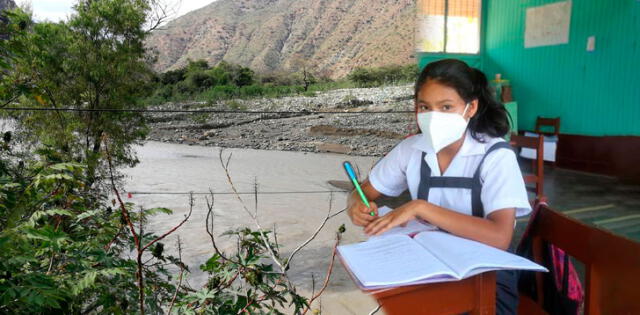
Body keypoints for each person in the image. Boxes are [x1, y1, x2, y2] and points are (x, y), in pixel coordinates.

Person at [346, 59, 531, 314]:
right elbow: (364, 190)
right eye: (425, 107)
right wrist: (355, 203)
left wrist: (421, 208)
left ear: (470, 107)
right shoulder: (411, 150)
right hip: (428, 265)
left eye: (446, 106)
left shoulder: (495, 156)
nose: (433, 117)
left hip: (486, 277)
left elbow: (499, 237)